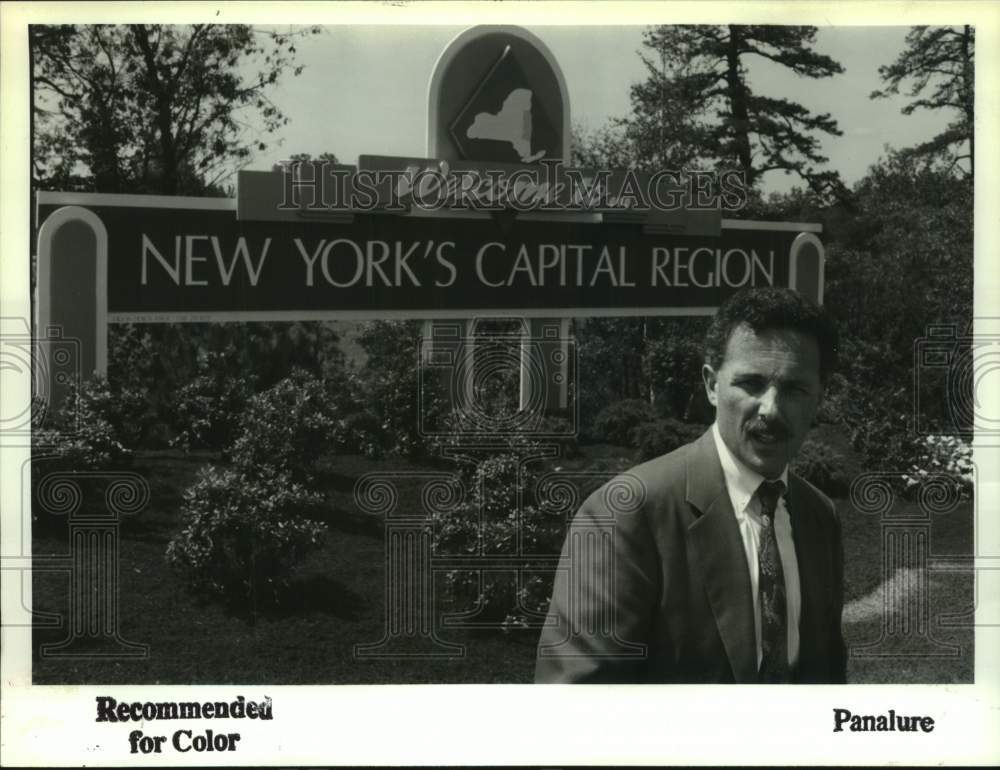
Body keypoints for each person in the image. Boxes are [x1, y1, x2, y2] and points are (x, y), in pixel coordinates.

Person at [535, 287, 846, 684]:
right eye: (751, 384)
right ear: (712, 385)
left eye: (795, 389)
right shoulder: (625, 514)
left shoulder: (819, 516)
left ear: (819, 396)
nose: (771, 408)